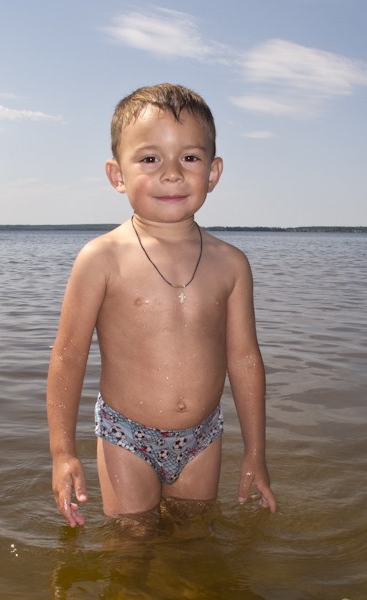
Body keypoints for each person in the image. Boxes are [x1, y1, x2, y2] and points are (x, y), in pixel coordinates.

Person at [46, 83, 277, 530]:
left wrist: (255, 454)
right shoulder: (101, 258)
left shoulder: (231, 264)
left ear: (213, 172)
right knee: (132, 546)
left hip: (203, 435)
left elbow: (245, 358)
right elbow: (68, 355)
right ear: (117, 175)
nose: (172, 173)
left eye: (189, 157)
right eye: (150, 159)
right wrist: (62, 453)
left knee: (194, 538)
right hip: (125, 434)